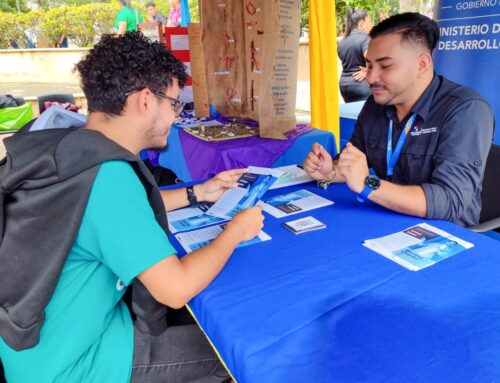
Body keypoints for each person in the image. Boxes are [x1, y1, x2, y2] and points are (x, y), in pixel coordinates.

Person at [0, 32, 264, 382]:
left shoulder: (71, 146)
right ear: (144, 101)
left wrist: (198, 192)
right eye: (174, 104)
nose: (175, 117)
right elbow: (174, 289)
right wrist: (234, 232)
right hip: (74, 363)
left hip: (27, 348)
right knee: (234, 349)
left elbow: (109, 215)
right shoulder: (108, 178)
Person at [303, 12, 494, 227]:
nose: (371, 77)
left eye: (385, 66)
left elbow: (449, 202)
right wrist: (330, 172)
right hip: (386, 216)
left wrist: (369, 185)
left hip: (442, 234)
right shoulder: (376, 105)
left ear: (422, 64)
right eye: (369, 65)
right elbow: (351, 163)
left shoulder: (465, 110)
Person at [337, 9, 373, 102]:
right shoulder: (366, 39)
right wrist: (368, 70)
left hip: (344, 86)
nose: (371, 24)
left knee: (351, 115)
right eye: (369, 21)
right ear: (361, 23)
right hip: (361, 85)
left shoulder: (342, 41)